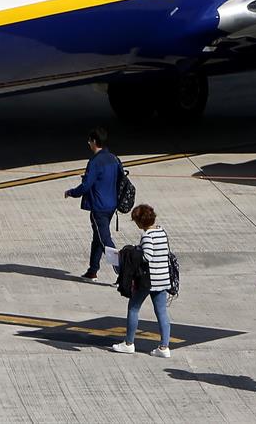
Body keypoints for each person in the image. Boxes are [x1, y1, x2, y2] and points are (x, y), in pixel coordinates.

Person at [110, 203, 174, 358]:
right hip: (163, 279)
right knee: (162, 312)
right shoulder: (161, 232)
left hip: (148, 280)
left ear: (140, 222)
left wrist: (131, 253)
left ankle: (129, 343)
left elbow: (147, 256)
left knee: (133, 308)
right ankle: (164, 347)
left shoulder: (147, 236)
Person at [63, 128, 120, 281]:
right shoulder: (113, 158)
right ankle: (93, 270)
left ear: (95, 142)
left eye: (89, 141)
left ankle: (122, 272)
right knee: (98, 237)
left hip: (99, 207)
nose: (88, 143)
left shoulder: (94, 162)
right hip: (111, 205)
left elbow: (86, 185)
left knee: (105, 240)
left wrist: (72, 192)